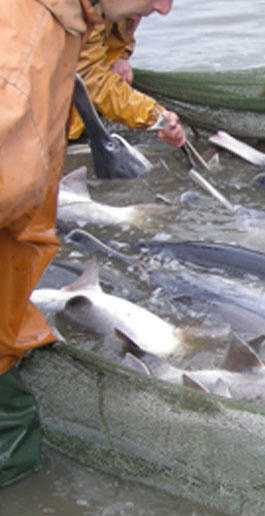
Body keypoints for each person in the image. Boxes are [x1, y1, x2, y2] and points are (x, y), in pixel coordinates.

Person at [0, 0, 174, 487]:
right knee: (17, 461)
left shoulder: (74, 17)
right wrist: (154, 116)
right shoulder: (25, 42)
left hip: (12, 289)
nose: (163, 8)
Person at [68, 16, 185, 148]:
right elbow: (91, 79)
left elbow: (126, 25)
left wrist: (122, 55)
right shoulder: (84, 13)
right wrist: (155, 117)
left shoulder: (128, 10)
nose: (164, 10)